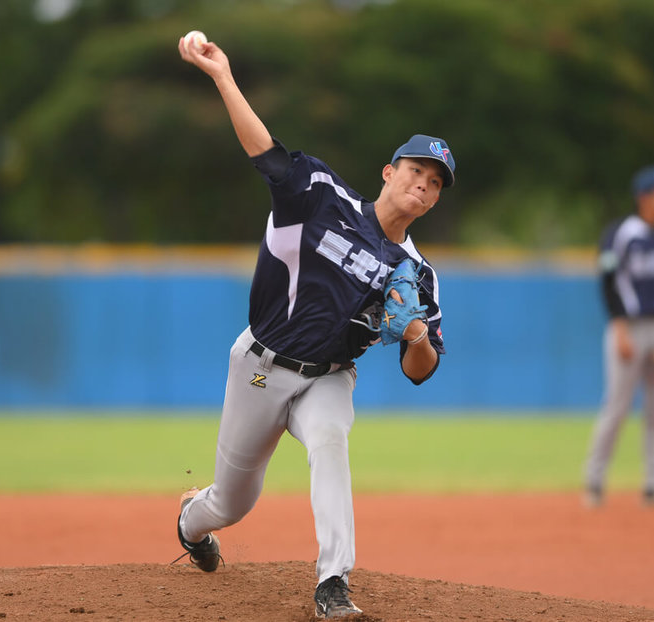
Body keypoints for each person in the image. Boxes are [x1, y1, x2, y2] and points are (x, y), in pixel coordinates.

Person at [173, 34, 455, 618]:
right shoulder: (322, 196)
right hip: (261, 364)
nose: (422, 186)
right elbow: (267, 154)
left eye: (434, 183)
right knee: (230, 502)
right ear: (388, 171)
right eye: (415, 171)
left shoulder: (419, 274)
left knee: (331, 441)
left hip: (330, 374)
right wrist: (223, 76)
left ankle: (333, 583)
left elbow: (421, 372)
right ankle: (190, 523)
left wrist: (416, 336)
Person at [584, 165, 654, 509]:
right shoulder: (622, 233)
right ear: (644, 197)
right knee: (617, 406)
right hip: (629, 327)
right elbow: (608, 280)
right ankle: (595, 482)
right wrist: (619, 328)